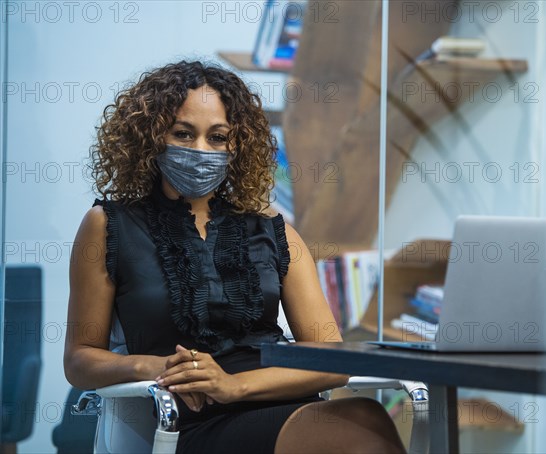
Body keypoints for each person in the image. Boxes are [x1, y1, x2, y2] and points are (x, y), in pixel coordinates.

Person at [63, 60, 406, 454]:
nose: (200, 150)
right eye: (183, 134)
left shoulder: (276, 233)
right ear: (151, 137)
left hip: (280, 404)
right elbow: (79, 360)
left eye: (218, 137)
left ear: (236, 144)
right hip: (197, 421)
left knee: (361, 420)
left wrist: (233, 385)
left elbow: (333, 359)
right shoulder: (107, 226)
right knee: (359, 426)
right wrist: (156, 367)